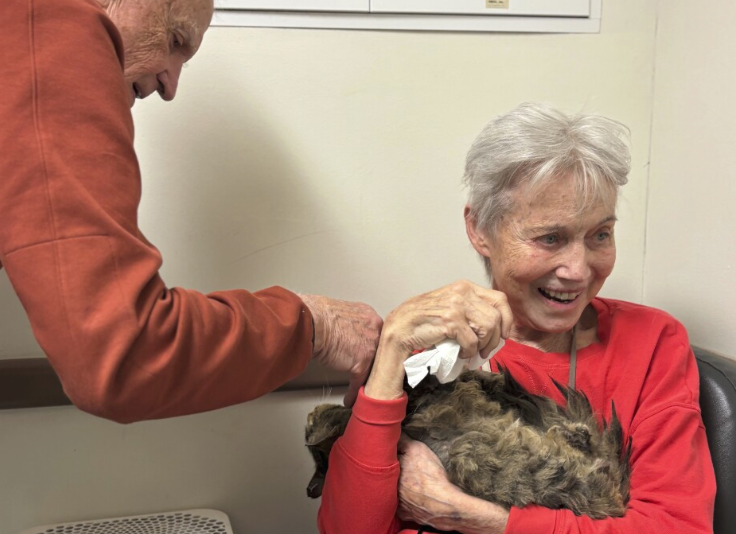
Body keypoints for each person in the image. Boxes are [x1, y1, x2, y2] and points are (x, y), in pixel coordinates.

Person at [317, 103, 716, 533]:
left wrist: (480, 519)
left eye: (600, 235)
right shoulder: (424, 349)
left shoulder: (651, 342)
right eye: (551, 238)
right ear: (480, 230)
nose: (578, 270)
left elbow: (678, 526)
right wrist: (391, 351)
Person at [0, 0, 382, 422]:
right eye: (175, 40)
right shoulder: (44, 22)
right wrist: (314, 325)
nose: (170, 85)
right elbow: (124, 358)